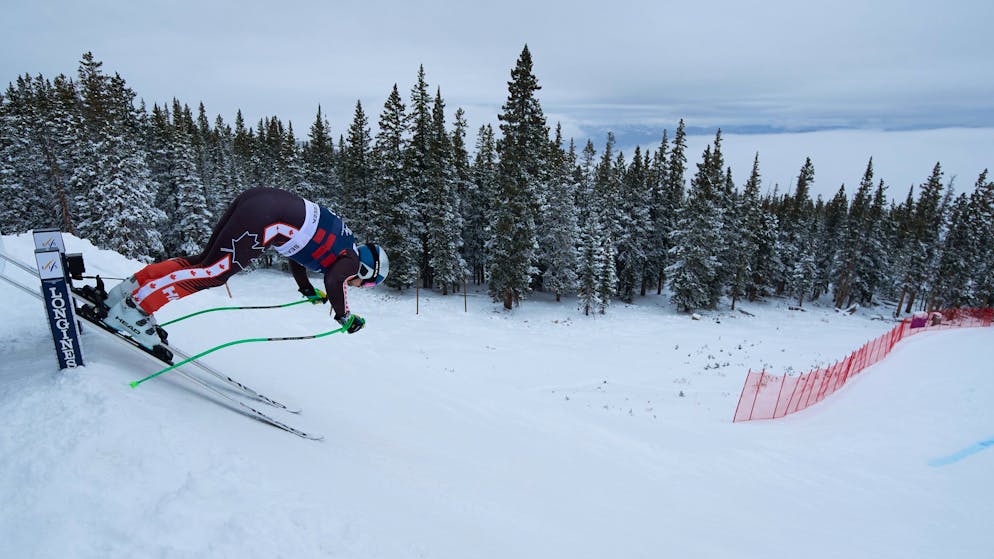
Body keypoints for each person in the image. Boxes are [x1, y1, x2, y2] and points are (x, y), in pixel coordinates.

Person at [101, 187, 388, 350]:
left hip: (259, 202)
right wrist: (344, 317)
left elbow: (296, 255)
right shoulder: (348, 259)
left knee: (203, 263)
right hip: (266, 219)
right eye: (371, 283)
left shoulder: (339, 245)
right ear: (365, 270)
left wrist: (304, 289)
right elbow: (335, 280)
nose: (363, 286)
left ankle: (129, 291)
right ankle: (135, 308)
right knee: (213, 274)